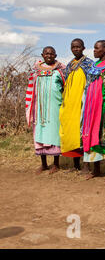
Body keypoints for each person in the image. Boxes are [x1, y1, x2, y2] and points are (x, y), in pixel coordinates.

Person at [81, 40, 105, 180]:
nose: (94, 51)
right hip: (92, 106)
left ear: (104, 50)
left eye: (96, 48)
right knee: (93, 135)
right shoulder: (93, 65)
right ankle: (96, 169)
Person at [25, 46, 65, 174]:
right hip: (40, 107)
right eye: (46, 54)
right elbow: (31, 87)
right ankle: (43, 164)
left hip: (55, 107)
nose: (49, 56)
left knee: (55, 133)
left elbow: (65, 87)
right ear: (42, 55)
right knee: (40, 133)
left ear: (55, 55)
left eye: (52, 54)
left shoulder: (60, 70)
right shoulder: (36, 71)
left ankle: (56, 164)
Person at [59, 38, 94, 173]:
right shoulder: (70, 65)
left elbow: (91, 84)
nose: (75, 49)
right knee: (71, 133)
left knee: (82, 132)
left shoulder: (89, 64)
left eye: (78, 47)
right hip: (69, 103)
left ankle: (86, 165)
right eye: (73, 47)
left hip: (83, 103)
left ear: (83, 48)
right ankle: (75, 164)